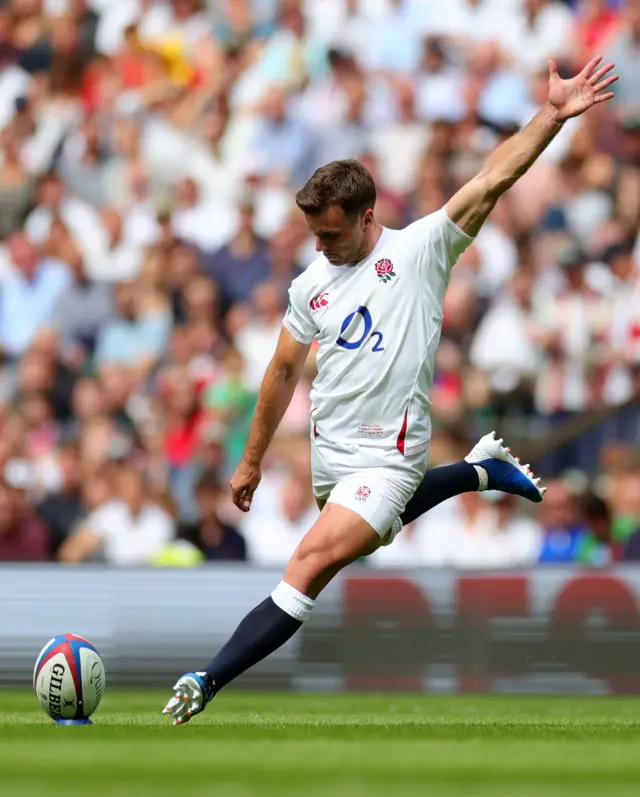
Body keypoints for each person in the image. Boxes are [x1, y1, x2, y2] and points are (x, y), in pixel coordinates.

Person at [163, 55, 618, 725]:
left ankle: (206, 679)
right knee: (360, 539)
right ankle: (476, 470)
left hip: (388, 456)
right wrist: (253, 458)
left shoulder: (420, 250)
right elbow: (282, 372)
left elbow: (495, 178)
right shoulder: (309, 286)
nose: (320, 245)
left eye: (331, 232)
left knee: (310, 561)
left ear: (367, 215)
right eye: (313, 233)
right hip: (332, 461)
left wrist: (551, 115)